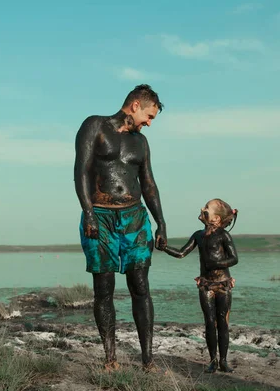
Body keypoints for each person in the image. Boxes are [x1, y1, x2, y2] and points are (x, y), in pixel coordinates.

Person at [74, 84, 167, 371]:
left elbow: (149, 184)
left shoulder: (141, 143)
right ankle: (110, 358)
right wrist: (88, 212)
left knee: (141, 287)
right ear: (136, 105)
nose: (149, 123)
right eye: (149, 116)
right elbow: (81, 171)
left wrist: (161, 223)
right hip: (100, 216)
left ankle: (148, 360)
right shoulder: (94, 125)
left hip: (135, 218)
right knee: (103, 289)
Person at [158, 198, 239, 373]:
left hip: (223, 285)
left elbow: (234, 259)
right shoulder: (198, 236)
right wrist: (164, 248)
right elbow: (181, 253)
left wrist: (217, 262)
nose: (202, 209)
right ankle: (213, 361)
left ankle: (224, 361)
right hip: (206, 285)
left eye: (207, 209)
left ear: (216, 219)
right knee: (210, 323)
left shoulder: (224, 235)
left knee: (223, 324)